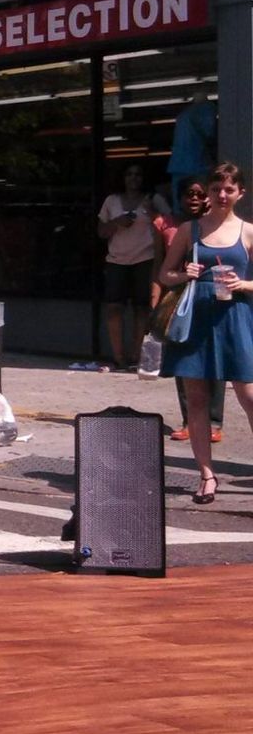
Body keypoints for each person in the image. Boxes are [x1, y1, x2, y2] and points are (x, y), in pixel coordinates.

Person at [158, 161, 253, 506]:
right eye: (216, 189)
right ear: (209, 194)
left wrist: (243, 283)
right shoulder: (189, 230)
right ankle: (207, 476)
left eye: (229, 189)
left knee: (250, 396)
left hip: (237, 317)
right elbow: (164, 274)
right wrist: (186, 274)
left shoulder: (248, 231)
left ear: (240, 193)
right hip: (196, 319)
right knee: (196, 401)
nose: (222, 195)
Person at [159, 179, 222, 441]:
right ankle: (190, 420)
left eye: (199, 194)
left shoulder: (218, 226)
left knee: (215, 362)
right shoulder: (176, 227)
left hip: (215, 298)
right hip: (182, 298)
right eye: (189, 194)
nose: (194, 199)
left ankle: (214, 422)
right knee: (185, 358)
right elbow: (161, 269)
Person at [100, 163, 172, 370]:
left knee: (142, 308)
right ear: (122, 178)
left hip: (145, 258)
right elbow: (101, 231)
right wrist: (117, 222)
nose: (133, 178)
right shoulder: (111, 201)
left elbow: (169, 225)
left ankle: (136, 356)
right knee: (114, 308)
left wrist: (152, 215)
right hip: (116, 260)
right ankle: (118, 357)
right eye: (129, 174)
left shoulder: (153, 199)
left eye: (138, 174)